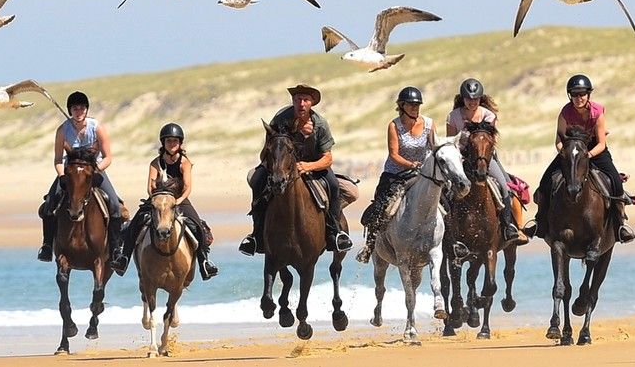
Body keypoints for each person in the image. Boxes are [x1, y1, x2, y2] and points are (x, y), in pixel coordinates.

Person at [240, 85, 356, 256]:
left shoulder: (320, 124)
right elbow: (266, 151)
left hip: (313, 165)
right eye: (298, 99)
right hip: (281, 165)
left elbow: (328, 158)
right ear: (293, 101)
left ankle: (335, 231)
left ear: (312, 103)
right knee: (257, 180)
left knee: (333, 186)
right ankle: (256, 235)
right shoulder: (280, 118)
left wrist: (307, 166)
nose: (301, 103)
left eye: (305, 100)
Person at [108, 123, 220, 279]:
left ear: (180, 143)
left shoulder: (184, 163)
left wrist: (177, 201)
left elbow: (187, 187)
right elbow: (149, 187)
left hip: (179, 200)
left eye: (175, 141)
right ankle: (124, 259)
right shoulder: (155, 163)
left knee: (198, 227)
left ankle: (204, 263)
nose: (172, 144)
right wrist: (156, 201)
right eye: (169, 141)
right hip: (156, 200)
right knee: (134, 225)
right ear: (163, 143)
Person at [538, 74, 635, 244]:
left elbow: (601, 144)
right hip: (571, 152)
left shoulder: (597, 111)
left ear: (588, 94)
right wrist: (566, 154)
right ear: (570, 96)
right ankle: (540, 222)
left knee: (615, 181)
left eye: (582, 94)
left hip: (593, 150)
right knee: (545, 181)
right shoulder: (565, 112)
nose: (578, 98)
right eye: (574, 94)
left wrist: (587, 156)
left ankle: (620, 225)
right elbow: (559, 141)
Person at [39, 91, 126, 262]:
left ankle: (115, 249)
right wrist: (62, 175)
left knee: (115, 205)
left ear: (86, 110)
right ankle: (47, 246)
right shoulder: (62, 130)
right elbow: (58, 159)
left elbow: (108, 157)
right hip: (70, 173)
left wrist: (95, 170)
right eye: (75, 108)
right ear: (70, 110)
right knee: (50, 204)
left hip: (95, 171)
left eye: (82, 108)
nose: (78, 112)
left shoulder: (97, 128)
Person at [444, 78, 527, 248]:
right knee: (445, 189)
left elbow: (489, 142)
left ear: (480, 99)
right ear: (463, 98)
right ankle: (445, 229)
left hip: (485, 159)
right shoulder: (453, 117)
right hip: (461, 159)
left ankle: (510, 226)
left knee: (505, 186)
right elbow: (451, 142)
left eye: (475, 99)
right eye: (468, 99)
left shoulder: (489, 116)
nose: (472, 102)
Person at [357, 87, 435, 264]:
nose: (415, 107)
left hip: (423, 173)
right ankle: (369, 246)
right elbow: (394, 154)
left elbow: (433, 147)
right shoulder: (394, 125)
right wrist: (411, 164)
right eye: (411, 105)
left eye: (417, 104)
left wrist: (428, 166)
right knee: (381, 206)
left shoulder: (429, 124)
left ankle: (450, 241)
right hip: (397, 173)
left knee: (444, 198)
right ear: (402, 106)